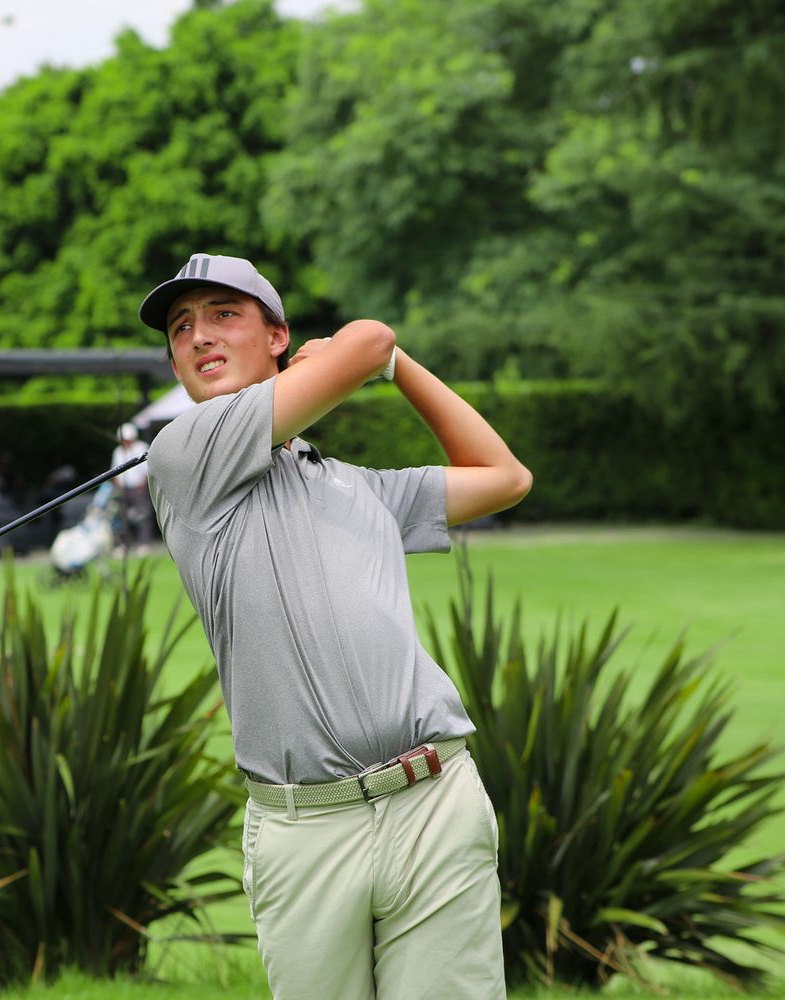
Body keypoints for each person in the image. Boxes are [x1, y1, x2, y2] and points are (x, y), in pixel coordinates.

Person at [139, 253, 531, 999]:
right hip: (305, 827)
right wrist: (365, 354)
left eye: (225, 314)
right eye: (181, 328)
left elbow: (504, 477)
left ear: (278, 335)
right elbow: (366, 338)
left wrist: (398, 365)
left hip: (433, 800)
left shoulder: (357, 486)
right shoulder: (183, 456)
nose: (198, 336)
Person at [110, 423, 153, 552]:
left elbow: (147, 470)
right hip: (123, 489)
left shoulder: (142, 448)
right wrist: (118, 486)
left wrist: (142, 485)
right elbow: (114, 471)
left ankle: (144, 543)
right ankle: (124, 544)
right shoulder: (117, 451)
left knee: (143, 515)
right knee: (122, 517)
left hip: (138, 488)